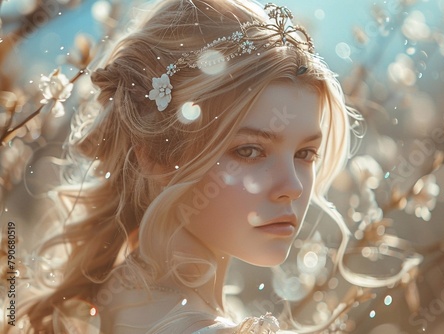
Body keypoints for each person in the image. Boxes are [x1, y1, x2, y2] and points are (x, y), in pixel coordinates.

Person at [14, 0, 356, 332]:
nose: (293, 187)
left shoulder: (112, 301)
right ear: (153, 154)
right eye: (250, 151)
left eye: (305, 154)